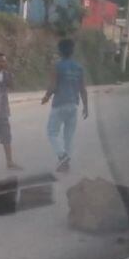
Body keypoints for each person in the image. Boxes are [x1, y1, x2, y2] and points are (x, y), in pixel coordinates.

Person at [41, 38, 89, 173]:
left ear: (60, 51)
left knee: (52, 132)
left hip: (60, 104)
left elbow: (53, 85)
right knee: (69, 136)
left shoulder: (58, 66)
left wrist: (46, 97)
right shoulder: (79, 67)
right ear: (72, 51)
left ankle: (62, 156)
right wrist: (86, 106)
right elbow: (82, 88)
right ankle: (65, 164)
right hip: (74, 104)